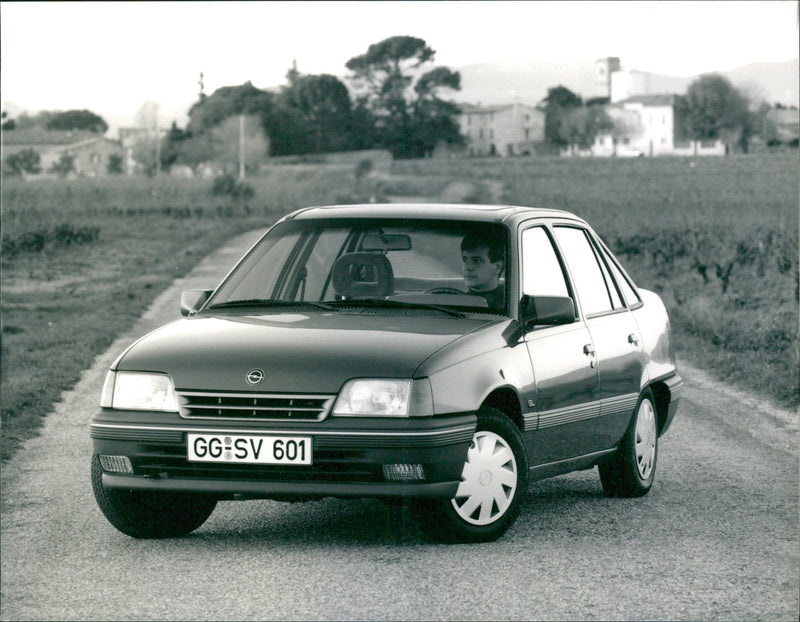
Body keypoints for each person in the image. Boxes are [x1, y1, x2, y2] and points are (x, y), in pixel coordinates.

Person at [461, 231, 506, 309]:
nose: (468, 267)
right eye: (465, 260)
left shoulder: (507, 304)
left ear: (497, 267)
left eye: (477, 261)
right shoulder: (458, 302)